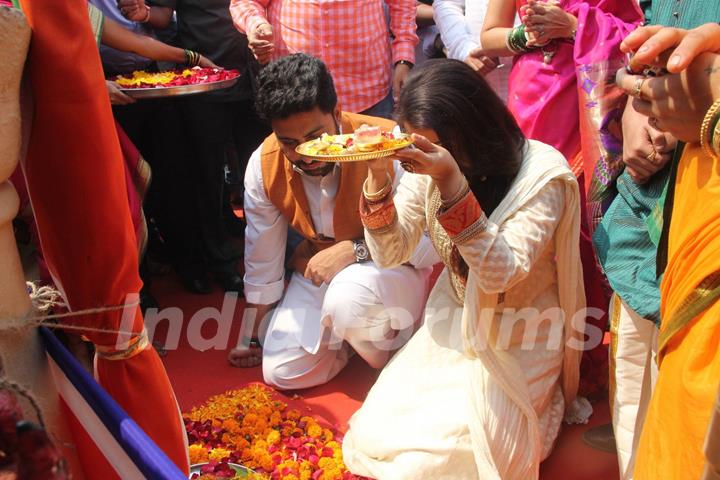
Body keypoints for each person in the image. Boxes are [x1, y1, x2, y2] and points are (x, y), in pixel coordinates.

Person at [343, 59, 588, 479]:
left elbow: (499, 275)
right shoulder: (431, 158)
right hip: (454, 320)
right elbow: (390, 253)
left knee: (432, 466)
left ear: (471, 131)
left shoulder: (542, 177)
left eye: (432, 148)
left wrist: (452, 182)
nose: (418, 156)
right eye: (414, 144)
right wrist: (379, 179)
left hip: (520, 332)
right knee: (374, 437)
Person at [227, 54, 439, 389]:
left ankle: (387, 350)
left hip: (395, 269)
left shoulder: (390, 143)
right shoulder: (263, 164)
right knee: (282, 372)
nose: (305, 154)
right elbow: (262, 258)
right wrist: (252, 335)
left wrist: (355, 251)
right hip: (322, 273)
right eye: (289, 143)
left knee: (347, 302)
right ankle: (353, 340)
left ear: (337, 114)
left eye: (315, 138)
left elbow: (431, 246)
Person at [481, 0, 643, 397]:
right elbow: (490, 36)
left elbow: (636, 38)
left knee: (586, 234)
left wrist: (573, 26)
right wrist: (528, 36)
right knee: (529, 228)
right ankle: (532, 350)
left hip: (591, 106)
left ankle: (582, 357)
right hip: (533, 105)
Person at [591, 2, 720, 477]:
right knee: (639, 395)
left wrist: (712, 114)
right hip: (658, 208)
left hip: (702, 225)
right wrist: (635, 109)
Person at [120, 0, 271, 294]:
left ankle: (268, 258)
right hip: (205, 79)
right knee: (208, 177)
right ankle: (222, 264)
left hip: (257, 76)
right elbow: (163, 12)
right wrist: (147, 14)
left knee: (263, 172)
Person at [229, 0, 417, 118]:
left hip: (367, 91)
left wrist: (403, 57)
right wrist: (256, 25)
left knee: (374, 172)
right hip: (297, 91)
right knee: (304, 175)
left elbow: (403, 4)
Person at [432, 0, 513, 101]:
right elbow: (446, 4)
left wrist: (505, 44)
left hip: (530, 70)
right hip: (476, 79)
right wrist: (463, 48)